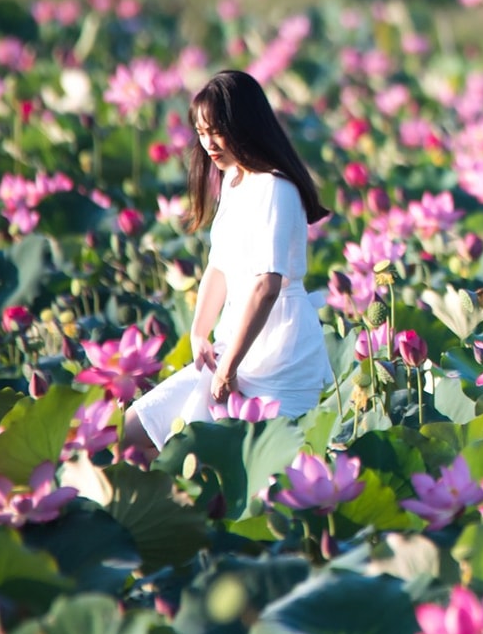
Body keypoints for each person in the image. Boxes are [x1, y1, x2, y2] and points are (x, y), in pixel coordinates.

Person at [123, 70, 335, 452]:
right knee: (132, 431)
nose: (208, 144)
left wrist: (228, 367)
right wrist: (199, 333)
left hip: (276, 352)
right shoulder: (235, 180)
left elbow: (266, 285)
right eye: (201, 133)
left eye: (216, 131)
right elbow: (219, 268)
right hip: (232, 342)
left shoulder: (276, 187)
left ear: (244, 126)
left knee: (222, 459)